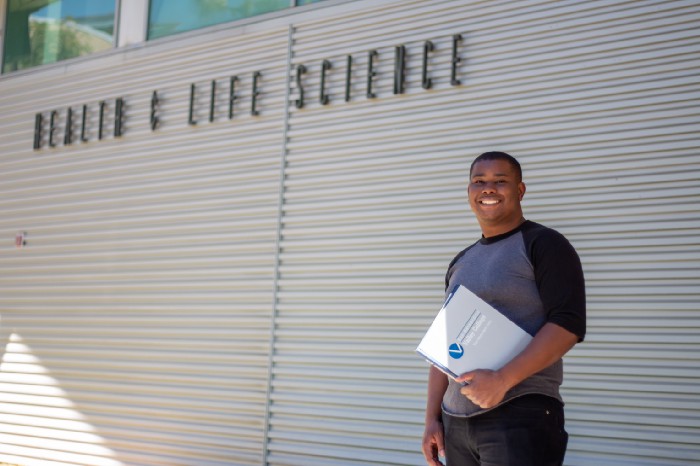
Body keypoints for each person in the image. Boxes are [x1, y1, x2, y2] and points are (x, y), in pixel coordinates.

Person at [421, 151, 586, 466]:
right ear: (469, 190)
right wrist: (432, 418)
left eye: (500, 181)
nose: (488, 189)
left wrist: (502, 380)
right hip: (457, 423)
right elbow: (444, 343)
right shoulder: (462, 260)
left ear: (520, 190)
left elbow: (567, 326)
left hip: (520, 414)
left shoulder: (544, 244)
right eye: (479, 181)